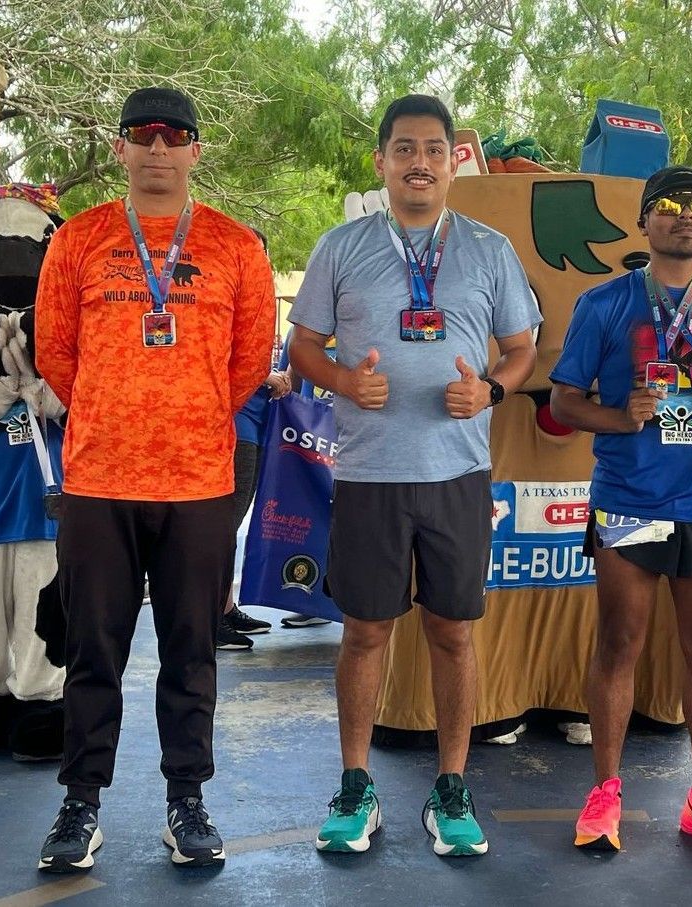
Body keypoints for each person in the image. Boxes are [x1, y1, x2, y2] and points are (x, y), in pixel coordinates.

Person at [32, 86, 276, 873]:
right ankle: (81, 803)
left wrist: (188, 416)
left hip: (199, 482)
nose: (159, 149)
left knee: (191, 648)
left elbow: (248, 360)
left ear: (197, 150)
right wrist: (111, 414)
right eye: (143, 135)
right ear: (120, 148)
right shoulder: (78, 239)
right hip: (99, 481)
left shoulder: (237, 246)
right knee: (92, 649)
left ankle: (187, 800)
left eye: (175, 136)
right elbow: (54, 351)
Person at [289, 94, 539, 858]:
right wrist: (339, 380)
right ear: (381, 162)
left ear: (452, 162)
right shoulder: (342, 246)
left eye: (433, 148)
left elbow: (521, 350)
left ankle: (451, 785)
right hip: (369, 474)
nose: (419, 162)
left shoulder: (490, 250)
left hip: (457, 473)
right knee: (365, 632)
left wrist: (489, 390)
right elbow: (302, 346)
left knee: (452, 633)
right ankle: (356, 782)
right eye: (403, 148)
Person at [550, 165, 692, 856]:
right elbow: (562, 401)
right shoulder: (605, 303)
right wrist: (621, 417)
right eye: (669, 206)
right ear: (644, 222)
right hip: (630, 501)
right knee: (619, 641)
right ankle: (604, 793)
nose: (686, 216)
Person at [217, 228, 291, 651]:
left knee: (234, 519)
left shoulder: (255, 301)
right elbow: (222, 355)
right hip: (236, 424)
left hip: (260, 422)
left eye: (261, 254)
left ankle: (225, 607)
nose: (256, 261)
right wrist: (269, 377)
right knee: (224, 523)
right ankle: (212, 616)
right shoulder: (224, 296)